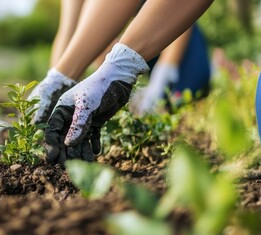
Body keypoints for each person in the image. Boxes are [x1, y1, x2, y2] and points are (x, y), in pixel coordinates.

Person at [38, 0, 214, 164]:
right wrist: (58, 80)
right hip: (138, 38)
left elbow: (184, 20)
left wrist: (162, 76)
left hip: (178, 32)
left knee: (180, 99)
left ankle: (214, 68)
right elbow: (70, 29)